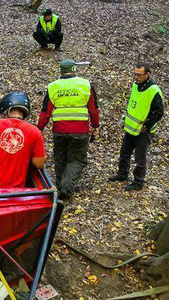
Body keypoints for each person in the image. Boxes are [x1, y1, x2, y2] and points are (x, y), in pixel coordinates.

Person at [37, 59, 100, 199]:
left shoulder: (53, 86)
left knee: (60, 158)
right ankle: (66, 188)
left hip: (59, 130)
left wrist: (39, 128)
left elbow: (45, 111)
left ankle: (60, 187)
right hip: (80, 130)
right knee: (77, 160)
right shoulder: (85, 84)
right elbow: (94, 109)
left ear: (61, 70)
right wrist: (95, 126)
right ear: (74, 69)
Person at [109, 63, 164, 191]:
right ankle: (122, 174)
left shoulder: (153, 90)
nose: (136, 77)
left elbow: (159, 112)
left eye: (139, 75)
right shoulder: (135, 85)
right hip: (131, 127)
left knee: (140, 158)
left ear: (147, 74)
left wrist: (147, 125)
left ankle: (138, 182)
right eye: (135, 74)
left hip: (143, 131)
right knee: (124, 153)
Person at [0, 92, 47, 189]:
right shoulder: (35, 132)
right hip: (15, 193)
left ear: (6, 110)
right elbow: (39, 163)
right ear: (25, 113)